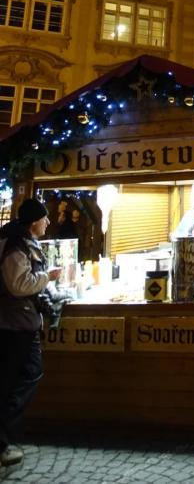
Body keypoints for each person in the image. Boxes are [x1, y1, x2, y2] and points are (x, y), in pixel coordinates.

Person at [0, 198, 61, 466]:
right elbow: (18, 285)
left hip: (20, 323)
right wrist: (49, 277)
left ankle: (4, 439)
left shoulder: (20, 241)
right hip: (16, 325)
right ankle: (2, 442)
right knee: (21, 378)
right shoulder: (16, 245)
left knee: (16, 379)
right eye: (45, 218)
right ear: (35, 221)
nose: (48, 222)